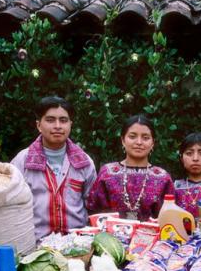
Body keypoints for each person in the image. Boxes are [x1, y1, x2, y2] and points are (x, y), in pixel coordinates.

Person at [9, 96, 97, 239]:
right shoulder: (23, 161)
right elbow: (11, 206)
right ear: (38, 125)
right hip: (35, 246)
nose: (57, 126)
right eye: (50, 120)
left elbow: (93, 206)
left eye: (63, 120)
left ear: (70, 124)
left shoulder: (84, 162)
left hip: (77, 245)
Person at [86, 114, 175, 221]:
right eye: (132, 136)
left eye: (145, 138)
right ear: (123, 140)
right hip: (110, 236)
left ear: (152, 143)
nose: (139, 142)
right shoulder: (108, 173)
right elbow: (94, 211)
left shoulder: (162, 177)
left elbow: (170, 217)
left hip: (153, 236)